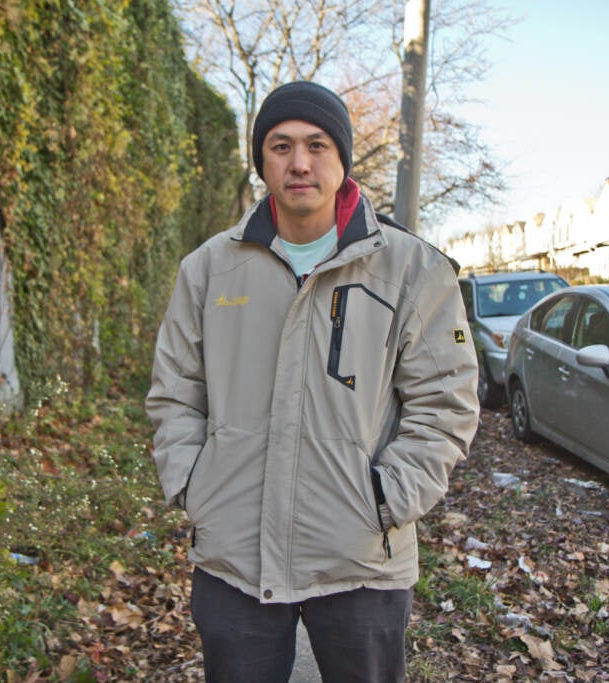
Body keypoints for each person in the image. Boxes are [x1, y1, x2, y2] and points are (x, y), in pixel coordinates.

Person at [146, 81, 479, 683]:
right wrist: (196, 484)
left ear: (342, 158)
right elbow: (174, 393)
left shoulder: (411, 269)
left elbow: (445, 405)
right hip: (234, 559)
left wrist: (387, 498)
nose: (299, 162)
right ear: (262, 161)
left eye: (317, 145)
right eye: (280, 146)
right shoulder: (208, 269)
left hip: (362, 560)